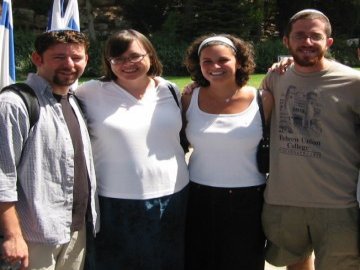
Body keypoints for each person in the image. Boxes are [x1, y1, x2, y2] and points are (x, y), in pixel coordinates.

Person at [75, 29, 189, 270]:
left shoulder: (170, 90)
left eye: (135, 56)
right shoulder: (88, 92)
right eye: (118, 59)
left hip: (174, 196)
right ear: (108, 62)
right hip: (114, 202)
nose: (127, 64)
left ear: (150, 54)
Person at [260, 9, 360, 270]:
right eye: (299, 35)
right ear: (286, 41)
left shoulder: (353, 82)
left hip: (338, 202)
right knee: (296, 264)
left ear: (328, 42)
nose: (306, 42)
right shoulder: (274, 78)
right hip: (284, 199)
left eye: (315, 36)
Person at [0, 30, 99, 270]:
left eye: (77, 57)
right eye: (59, 57)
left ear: (86, 60)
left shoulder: (74, 101)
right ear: (37, 58)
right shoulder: (14, 104)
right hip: (34, 236)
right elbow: (3, 177)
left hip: (74, 230)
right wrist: (13, 236)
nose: (69, 64)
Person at [182, 33, 273, 270]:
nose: (215, 66)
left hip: (249, 199)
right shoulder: (189, 98)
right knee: (198, 261)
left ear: (239, 62)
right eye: (207, 61)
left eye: (223, 60)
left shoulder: (263, 100)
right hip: (197, 195)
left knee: (244, 262)